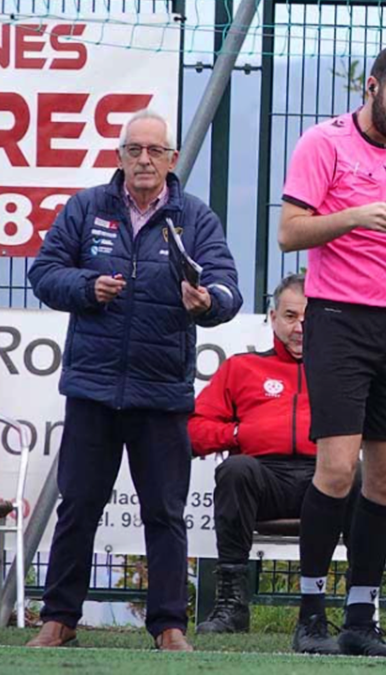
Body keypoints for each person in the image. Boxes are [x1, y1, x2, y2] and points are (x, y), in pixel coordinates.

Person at [25, 109, 242, 651]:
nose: (144, 160)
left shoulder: (195, 218)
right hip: (93, 390)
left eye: (154, 151)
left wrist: (207, 301)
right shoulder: (85, 207)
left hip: (162, 393)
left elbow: (229, 289)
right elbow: (44, 273)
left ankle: (169, 626)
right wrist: (87, 286)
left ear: (171, 160)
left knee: (165, 512)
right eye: (133, 150)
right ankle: (59, 620)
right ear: (119, 157)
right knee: (77, 506)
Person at [278, 43, 386, 657]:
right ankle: (309, 614)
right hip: (338, 319)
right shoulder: (322, 144)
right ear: (372, 85)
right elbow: (289, 232)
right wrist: (355, 216)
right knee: (335, 469)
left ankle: (361, 618)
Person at [189, 274, 356, 633]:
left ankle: (358, 614)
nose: (299, 327)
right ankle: (232, 606)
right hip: (265, 481)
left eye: (308, 318)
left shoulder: (345, 372)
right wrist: (239, 432)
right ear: (272, 317)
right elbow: (193, 431)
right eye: (291, 316)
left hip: (325, 478)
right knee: (235, 470)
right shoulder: (241, 367)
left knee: (358, 474)